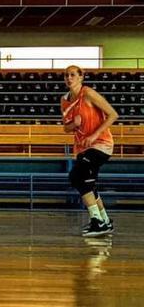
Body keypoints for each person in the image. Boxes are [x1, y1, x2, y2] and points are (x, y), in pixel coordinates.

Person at [61, 65, 118, 237]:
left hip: (101, 144)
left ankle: (97, 221)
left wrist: (94, 135)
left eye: (72, 75)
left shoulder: (88, 94)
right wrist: (74, 124)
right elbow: (66, 128)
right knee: (87, 184)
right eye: (66, 75)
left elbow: (113, 114)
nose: (69, 78)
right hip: (82, 147)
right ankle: (105, 221)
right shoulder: (64, 100)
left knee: (77, 176)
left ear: (81, 77)